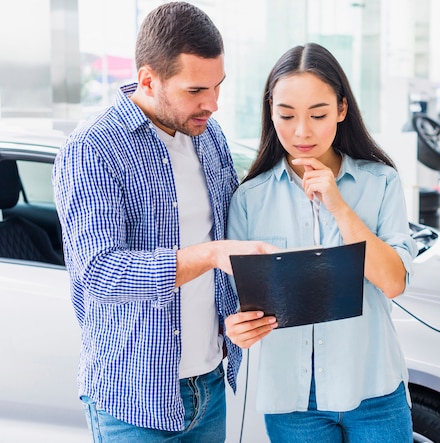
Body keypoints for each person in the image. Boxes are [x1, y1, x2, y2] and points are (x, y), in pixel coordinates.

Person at [52, 2, 276, 441]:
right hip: (132, 398)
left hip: (209, 385)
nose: (212, 103)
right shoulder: (92, 149)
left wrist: (231, 316)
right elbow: (99, 273)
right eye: (196, 90)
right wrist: (210, 256)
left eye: (218, 86)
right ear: (149, 79)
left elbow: (228, 238)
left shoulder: (207, 134)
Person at [225, 43, 419, 442]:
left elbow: (394, 281)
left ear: (342, 110)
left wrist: (338, 205)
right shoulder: (249, 199)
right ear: (270, 112)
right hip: (293, 402)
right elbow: (239, 303)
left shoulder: (381, 182)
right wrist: (238, 329)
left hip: (374, 390)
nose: (302, 131)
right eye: (286, 115)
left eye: (318, 115)